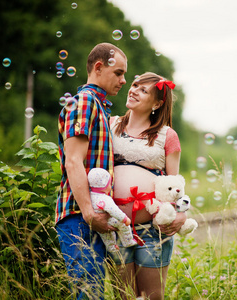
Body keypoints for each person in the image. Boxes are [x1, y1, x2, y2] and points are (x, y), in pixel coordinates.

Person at [56, 42, 127, 299]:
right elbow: (73, 161)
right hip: (80, 216)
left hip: (92, 216)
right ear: (99, 67)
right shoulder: (85, 102)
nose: (123, 80)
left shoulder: (99, 106)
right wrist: (89, 213)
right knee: (89, 295)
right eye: (118, 73)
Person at [109, 72, 186, 300]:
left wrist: (182, 212)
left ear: (157, 103)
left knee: (151, 297)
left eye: (144, 91)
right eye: (134, 86)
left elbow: (177, 184)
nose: (133, 91)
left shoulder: (166, 135)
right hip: (116, 229)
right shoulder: (110, 124)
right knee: (124, 297)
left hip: (152, 230)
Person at [87, 167, 137, 252]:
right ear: (104, 185)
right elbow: (114, 211)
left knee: (106, 234)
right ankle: (128, 241)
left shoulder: (90, 195)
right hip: (108, 219)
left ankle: (112, 247)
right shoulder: (105, 198)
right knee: (123, 225)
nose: (111, 186)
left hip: (97, 221)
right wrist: (124, 219)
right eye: (110, 184)